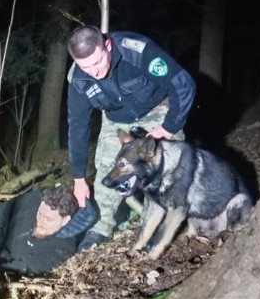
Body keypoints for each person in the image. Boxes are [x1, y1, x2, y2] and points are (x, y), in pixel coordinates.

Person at [66, 25, 196, 249]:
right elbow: (77, 126)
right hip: (117, 120)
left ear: (107, 46)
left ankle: (159, 225)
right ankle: (101, 227)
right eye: (85, 66)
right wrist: (78, 178)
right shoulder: (78, 79)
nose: (94, 72)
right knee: (108, 168)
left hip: (159, 110)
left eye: (97, 62)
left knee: (169, 168)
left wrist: (168, 127)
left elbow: (183, 85)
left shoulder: (137, 52)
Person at [0, 186, 96, 276]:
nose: (40, 222)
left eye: (48, 219)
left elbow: (21, 268)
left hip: (2, 264)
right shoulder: (33, 199)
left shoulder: (62, 248)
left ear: (65, 221)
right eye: (40, 214)